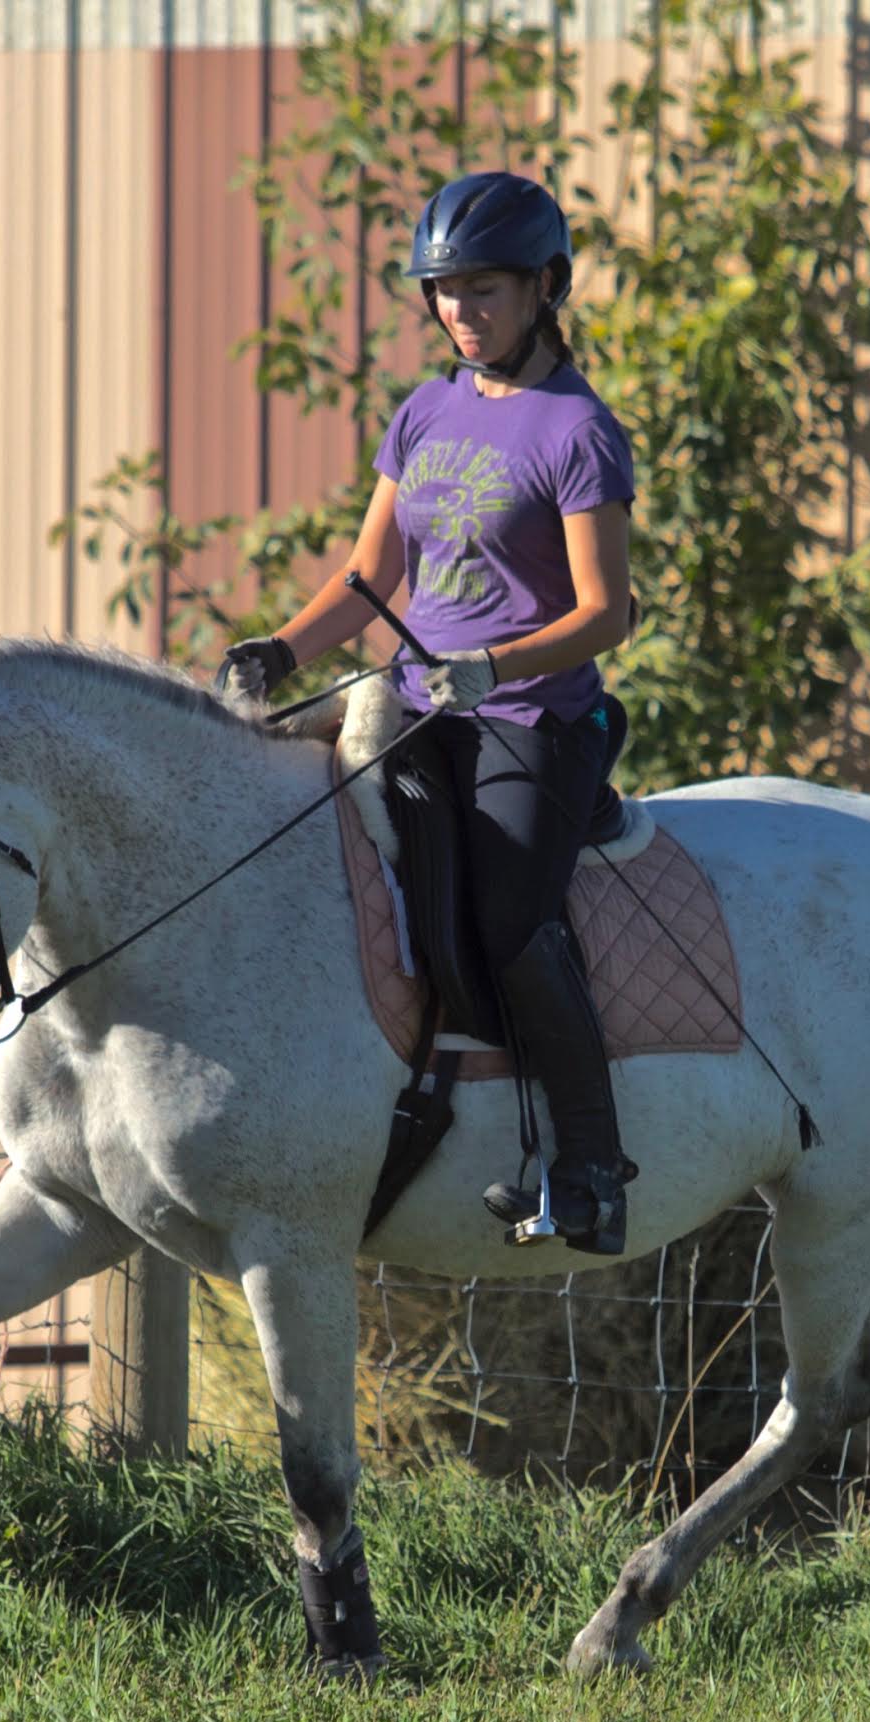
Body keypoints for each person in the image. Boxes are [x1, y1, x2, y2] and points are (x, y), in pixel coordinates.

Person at [217, 170, 639, 1254]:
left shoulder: (578, 430)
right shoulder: (425, 410)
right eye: (444, 291)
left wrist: (492, 669)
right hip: (412, 706)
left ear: (545, 286)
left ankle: (588, 1163)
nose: (460, 310)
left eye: (484, 290)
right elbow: (370, 575)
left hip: (532, 719)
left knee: (508, 919)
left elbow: (605, 612)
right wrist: (280, 649)